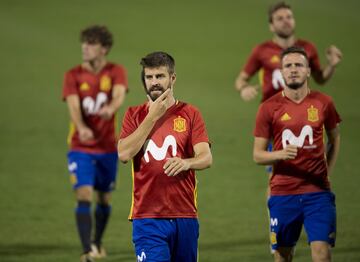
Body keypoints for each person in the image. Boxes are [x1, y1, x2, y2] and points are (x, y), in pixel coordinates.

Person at [117, 51, 212, 262]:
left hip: (185, 215)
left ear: (172, 78)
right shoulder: (134, 115)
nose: (154, 83)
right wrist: (152, 117)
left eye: (160, 76)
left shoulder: (190, 113)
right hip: (147, 218)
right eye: (149, 77)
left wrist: (187, 162)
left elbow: (206, 158)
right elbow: (124, 154)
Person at [253, 46, 341, 262]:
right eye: (288, 66)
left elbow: (335, 137)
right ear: (281, 72)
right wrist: (280, 154)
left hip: (318, 193)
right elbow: (257, 155)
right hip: (283, 193)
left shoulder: (324, 103)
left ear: (308, 71)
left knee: (322, 253)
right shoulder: (268, 108)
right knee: (283, 256)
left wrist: (327, 171)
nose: (293, 70)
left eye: (299, 65)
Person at [62, 25, 128, 262]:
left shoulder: (116, 71)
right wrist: (81, 127)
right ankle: (86, 250)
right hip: (80, 146)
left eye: (91, 44)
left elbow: (119, 94)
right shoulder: (73, 75)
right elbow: (72, 105)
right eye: (84, 43)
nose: (85, 47)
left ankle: (97, 241)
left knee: (104, 199)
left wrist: (111, 108)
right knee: (84, 194)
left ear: (104, 49)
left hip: (109, 148)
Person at [235, 1, 342, 102]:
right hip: (272, 112)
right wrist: (244, 88)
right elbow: (240, 80)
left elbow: (320, 79)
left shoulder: (308, 48)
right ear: (271, 26)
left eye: (289, 17)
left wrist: (331, 66)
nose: (286, 21)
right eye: (280, 19)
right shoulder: (262, 50)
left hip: (300, 111)